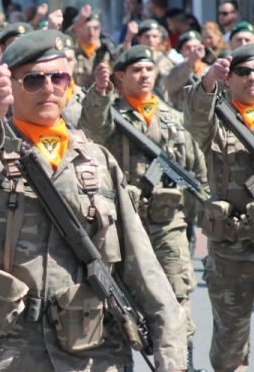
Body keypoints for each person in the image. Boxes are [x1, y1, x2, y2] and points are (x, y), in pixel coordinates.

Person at [0, 28, 188, 372]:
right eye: (33, 80)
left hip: (91, 351)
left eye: (59, 78)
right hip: (4, 350)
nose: (49, 88)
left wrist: (170, 354)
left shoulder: (98, 161)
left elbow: (141, 263)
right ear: (10, 85)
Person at [81, 45, 207, 371]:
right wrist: (99, 91)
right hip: (123, 228)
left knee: (178, 298)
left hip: (169, 227)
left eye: (149, 69)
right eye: (136, 70)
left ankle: (182, 364)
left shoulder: (173, 118)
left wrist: (199, 221)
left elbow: (196, 172)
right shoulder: (112, 114)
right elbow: (92, 128)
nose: (145, 76)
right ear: (121, 76)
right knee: (119, 304)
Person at [184, 43, 254, 372]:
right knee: (230, 347)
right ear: (229, 79)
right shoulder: (217, 117)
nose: (253, 78)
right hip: (231, 249)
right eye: (243, 72)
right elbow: (195, 122)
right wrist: (207, 83)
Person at [165, 30, 207, 111]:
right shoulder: (174, 69)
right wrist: (190, 63)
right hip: (181, 116)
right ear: (181, 51)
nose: (192, 50)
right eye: (188, 47)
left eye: (195, 47)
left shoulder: (210, 70)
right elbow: (169, 86)